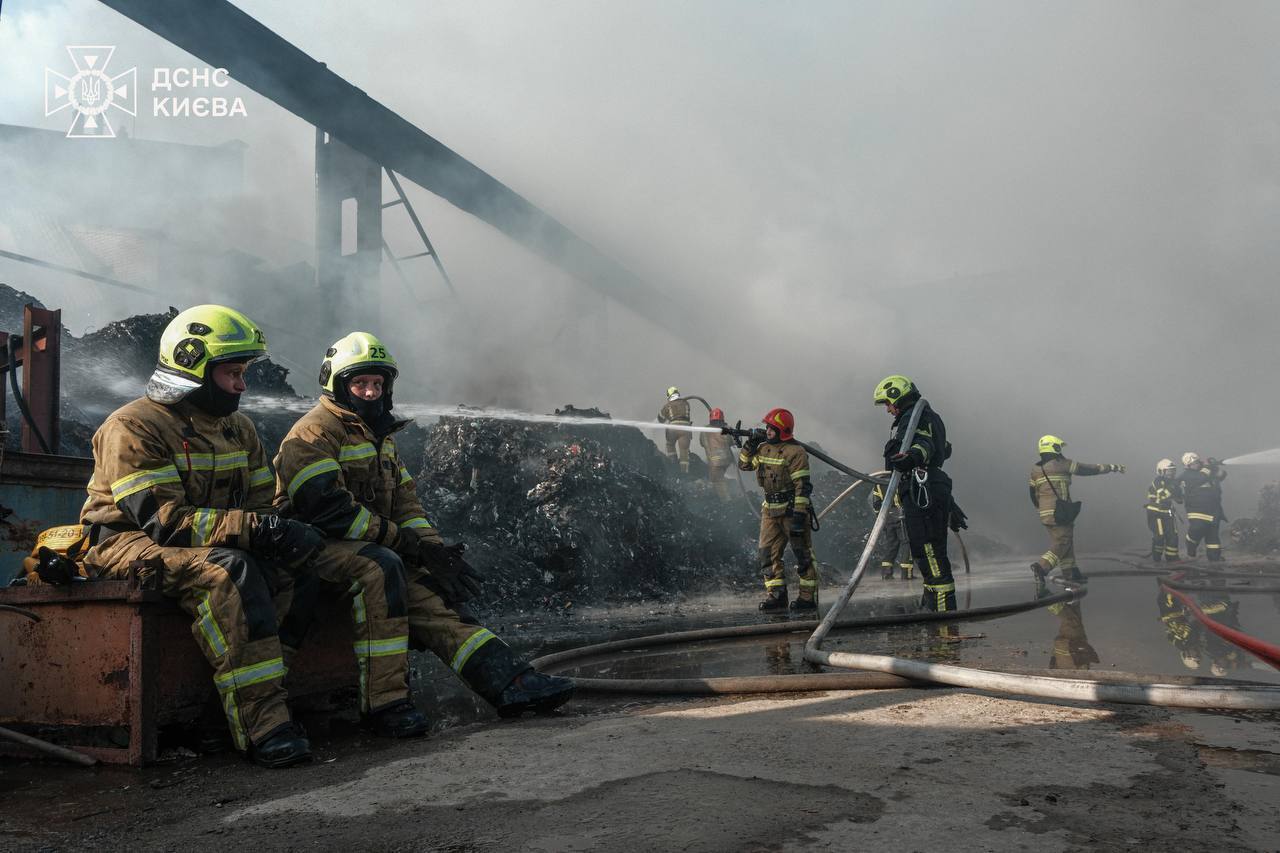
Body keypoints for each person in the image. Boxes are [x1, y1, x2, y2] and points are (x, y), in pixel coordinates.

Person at [274, 332, 575, 717]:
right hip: (314, 547)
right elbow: (328, 511)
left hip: (372, 545)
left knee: (432, 593)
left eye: (377, 384)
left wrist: (432, 550)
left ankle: (510, 683)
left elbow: (405, 503)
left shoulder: (379, 438)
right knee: (383, 569)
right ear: (338, 385)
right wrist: (407, 545)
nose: (370, 393)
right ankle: (386, 706)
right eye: (360, 383)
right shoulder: (314, 433)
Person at [80, 305, 325, 768]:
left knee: (301, 568)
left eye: (243, 372)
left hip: (202, 537)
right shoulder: (132, 426)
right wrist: (258, 531)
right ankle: (265, 727)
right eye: (232, 373)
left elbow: (258, 507)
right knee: (229, 570)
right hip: (127, 543)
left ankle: (224, 712)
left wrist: (281, 529)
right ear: (194, 367)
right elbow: (163, 521)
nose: (242, 384)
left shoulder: (239, 428)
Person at [873, 375, 965, 612]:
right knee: (926, 553)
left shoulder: (916, 417)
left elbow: (924, 444)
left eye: (887, 403)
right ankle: (932, 606)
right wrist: (949, 505)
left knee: (930, 554)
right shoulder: (922, 417)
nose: (887, 410)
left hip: (922, 488)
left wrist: (911, 457)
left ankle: (943, 616)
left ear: (896, 396)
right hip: (925, 488)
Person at [737, 408, 818, 612]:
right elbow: (744, 465)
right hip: (769, 510)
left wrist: (800, 515)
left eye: (771, 428)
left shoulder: (796, 452)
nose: (767, 431)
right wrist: (751, 444)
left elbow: (802, 485)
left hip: (791, 510)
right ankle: (777, 596)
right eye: (767, 427)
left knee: (802, 555)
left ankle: (807, 599)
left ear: (783, 430)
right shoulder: (763, 449)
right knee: (767, 554)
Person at [1028, 435, 1124, 584]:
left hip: (1045, 513)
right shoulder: (1061, 464)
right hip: (1059, 512)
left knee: (1066, 540)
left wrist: (1041, 509)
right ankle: (1041, 567)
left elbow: (1032, 494)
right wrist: (1112, 467)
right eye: (1058, 447)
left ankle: (1071, 573)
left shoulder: (1035, 469)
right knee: (1063, 542)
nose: (1060, 450)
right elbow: (1087, 469)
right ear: (1053, 447)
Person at [1178, 452, 1228, 562]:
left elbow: (1223, 475)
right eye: (1194, 463)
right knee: (1197, 529)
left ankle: (1214, 558)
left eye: (1197, 462)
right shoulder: (1187, 475)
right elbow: (1201, 478)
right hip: (1197, 510)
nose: (1197, 464)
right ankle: (1190, 548)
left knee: (1213, 536)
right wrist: (1207, 466)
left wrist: (1214, 467)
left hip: (1214, 510)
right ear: (1188, 465)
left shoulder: (1207, 471)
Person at [869, 482, 913, 580]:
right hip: (901, 516)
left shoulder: (878, 483)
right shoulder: (899, 479)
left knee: (891, 545)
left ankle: (886, 573)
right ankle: (906, 574)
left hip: (887, 517)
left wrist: (880, 518)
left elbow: (876, 504)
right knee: (906, 543)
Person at [1145, 458, 1181, 563]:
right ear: (1161, 471)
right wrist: (1174, 486)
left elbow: (1179, 500)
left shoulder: (1173, 483)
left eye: (1173, 470)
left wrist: (1180, 491)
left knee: (1173, 536)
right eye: (1169, 470)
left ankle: (1172, 558)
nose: (1172, 473)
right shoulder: (1157, 481)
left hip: (1168, 512)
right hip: (1156, 513)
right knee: (1159, 536)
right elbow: (1162, 495)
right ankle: (1157, 559)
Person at [699, 407, 733, 500]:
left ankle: (727, 501)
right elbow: (732, 442)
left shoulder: (705, 430)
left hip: (715, 461)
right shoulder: (726, 429)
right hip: (727, 459)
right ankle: (717, 496)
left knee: (718, 481)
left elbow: (702, 443)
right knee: (716, 478)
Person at [657, 386, 692, 473]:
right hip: (685, 428)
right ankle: (684, 472)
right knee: (684, 450)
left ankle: (673, 464)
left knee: (670, 444)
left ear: (669, 395)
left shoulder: (667, 406)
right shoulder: (686, 403)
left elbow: (660, 419)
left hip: (673, 427)